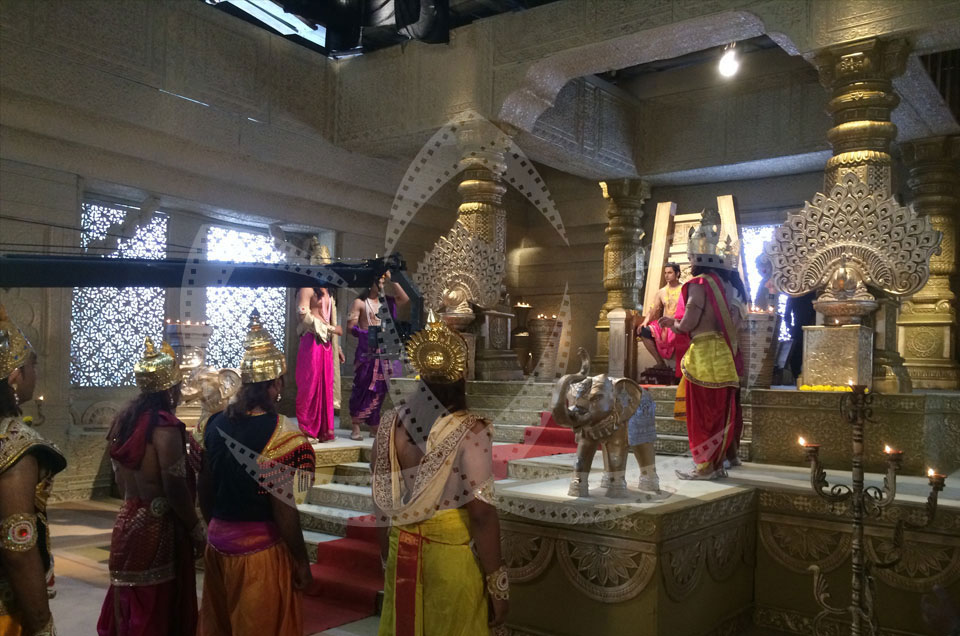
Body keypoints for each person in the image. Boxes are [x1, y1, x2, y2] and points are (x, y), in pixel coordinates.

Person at [372, 314, 508, 636]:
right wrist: (498, 584)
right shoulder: (470, 430)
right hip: (448, 557)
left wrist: (388, 555)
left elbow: (380, 502)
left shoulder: (390, 424)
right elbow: (481, 514)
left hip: (401, 549)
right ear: (461, 374)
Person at [198, 309, 316, 636]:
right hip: (257, 553)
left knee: (219, 626)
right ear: (275, 385)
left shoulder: (213, 424)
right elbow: (283, 508)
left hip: (217, 544)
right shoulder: (281, 433)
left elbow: (203, 489)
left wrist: (218, 529)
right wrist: (301, 560)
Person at [97, 338, 204, 636]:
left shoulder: (122, 422)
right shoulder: (165, 427)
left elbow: (119, 480)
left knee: (129, 591)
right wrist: (195, 529)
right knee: (155, 600)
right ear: (170, 390)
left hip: (127, 519)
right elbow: (174, 486)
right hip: (158, 525)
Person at [658, 212, 746, 480]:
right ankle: (717, 465)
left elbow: (688, 323)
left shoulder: (698, 284)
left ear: (696, 258)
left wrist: (671, 323)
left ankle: (705, 466)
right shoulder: (726, 285)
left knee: (702, 413)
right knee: (720, 411)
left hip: (703, 354)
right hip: (723, 353)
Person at [0, 304, 66, 636]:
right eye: (32, 365)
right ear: (15, 375)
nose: (35, 373)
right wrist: (42, 624)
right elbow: (19, 548)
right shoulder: (14, 444)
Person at [347, 270, 408, 440]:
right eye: (378, 282)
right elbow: (350, 328)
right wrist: (368, 334)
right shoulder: (359, 303)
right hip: (367, 353)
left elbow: (404, 298)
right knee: (362, 386)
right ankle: (356, 425)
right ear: (370, 283)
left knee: (381, 388)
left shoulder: (386, 302)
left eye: (383, 282)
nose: (381, 285)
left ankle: (374, 423)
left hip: (384, 351)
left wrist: (392, 278)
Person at [295, 285, 344, 442]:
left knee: (326, 385)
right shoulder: (307, 288)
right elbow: (303, 317)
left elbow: (329, 317)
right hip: (312, 341)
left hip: (327, 344)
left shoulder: (328, 290)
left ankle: (323, 430)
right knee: (309, 384)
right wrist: (331, 329)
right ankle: (306, 430)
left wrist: (337, 348)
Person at [637, 263, 685, 370]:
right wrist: (644, 322)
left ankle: (683, 367)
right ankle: (660, 362)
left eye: (670, 273)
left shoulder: (684, 289)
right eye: (665, 273)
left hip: (679, 324)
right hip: (665, 327)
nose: (666, 275)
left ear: (677, 273)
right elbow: (653, 309)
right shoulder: (661, 292)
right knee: (644, 330)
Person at [784, 291, 817, 382]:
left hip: (807, 328)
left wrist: (790, 328)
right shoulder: (795, 295)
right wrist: (790, 328)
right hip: (799, 328)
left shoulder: (810, 294)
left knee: (806, 354)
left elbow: (787, 316)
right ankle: (797, 378)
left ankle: (802, 377)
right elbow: (787, 316)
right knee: (796, 355)